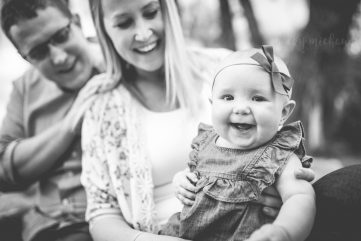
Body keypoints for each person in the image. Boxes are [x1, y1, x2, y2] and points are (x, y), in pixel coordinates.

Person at [80, 1, 316, 241]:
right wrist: (181, 183)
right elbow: (102, 214)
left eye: (151, 13)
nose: (143, 33)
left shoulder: (227, 66)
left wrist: (286, 219)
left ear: (169, 10)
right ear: (104, 30)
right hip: (169, 232)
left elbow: (298, 194)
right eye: (123, 23)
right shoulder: (102, 106)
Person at [160, 45, 316, 241]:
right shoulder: (204, 143)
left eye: (257, 98)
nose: (241, 108)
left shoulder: (279, 155)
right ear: (212, 104)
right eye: (228, 97)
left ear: (283, 113)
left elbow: (300, 198)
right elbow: (192, 175)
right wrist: (181, 180)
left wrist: (283, 231)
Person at [0, 0, 103, 240]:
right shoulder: (25, 89)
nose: (58, 57)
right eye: (38, 52)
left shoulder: (123, 61)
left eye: (61, 36)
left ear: (76, 23)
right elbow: (3, 169)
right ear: (26, 58)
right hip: (54, 225)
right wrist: (68, 126)